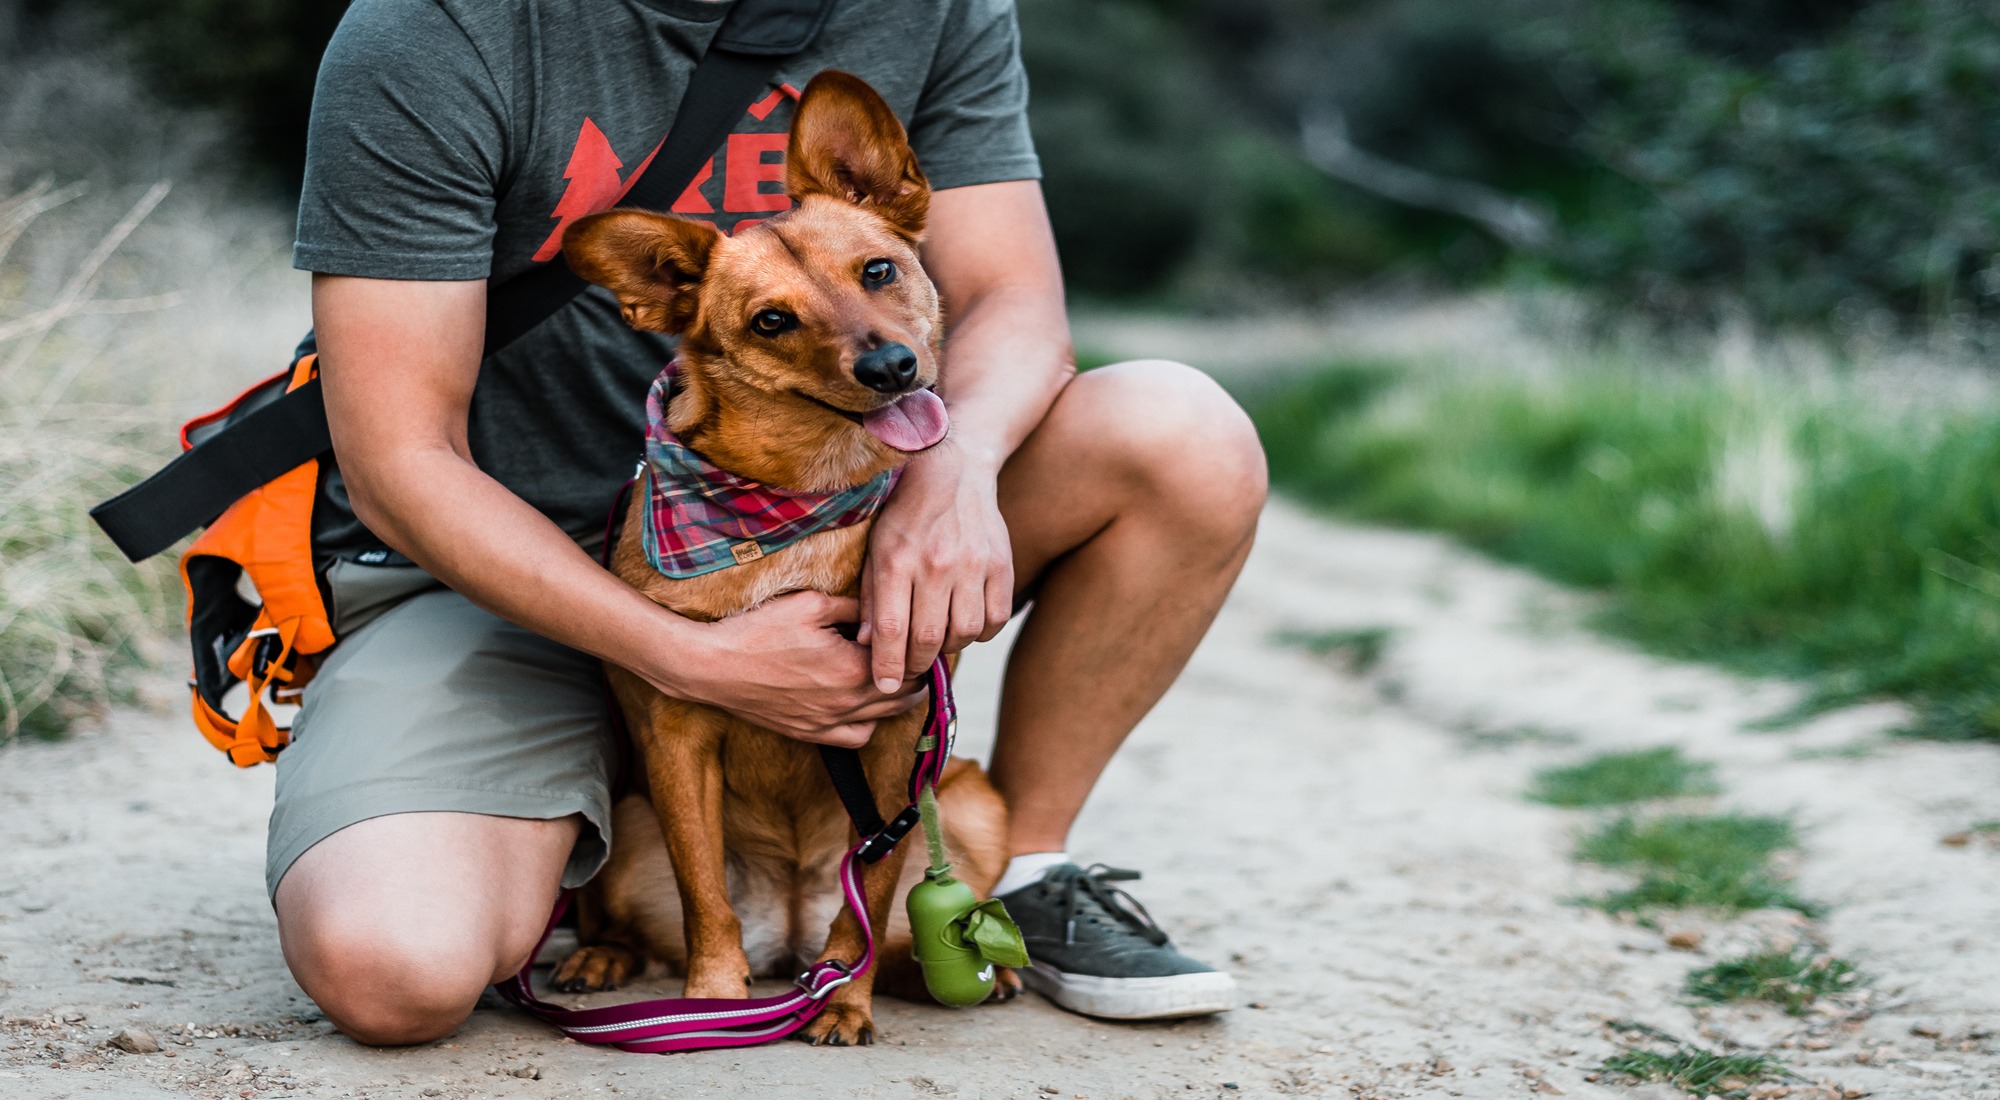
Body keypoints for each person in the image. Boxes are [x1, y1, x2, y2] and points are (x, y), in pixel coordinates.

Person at [274, 0, 1267, 1045]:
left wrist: (949, 472)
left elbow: (1012, 297)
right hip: (496, 566)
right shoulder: (433, 31)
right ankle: (576, 860)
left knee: (1180, 431)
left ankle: (1015, 870)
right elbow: (401, 461)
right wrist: (684, 657)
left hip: (863, 493)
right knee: (391, 967)